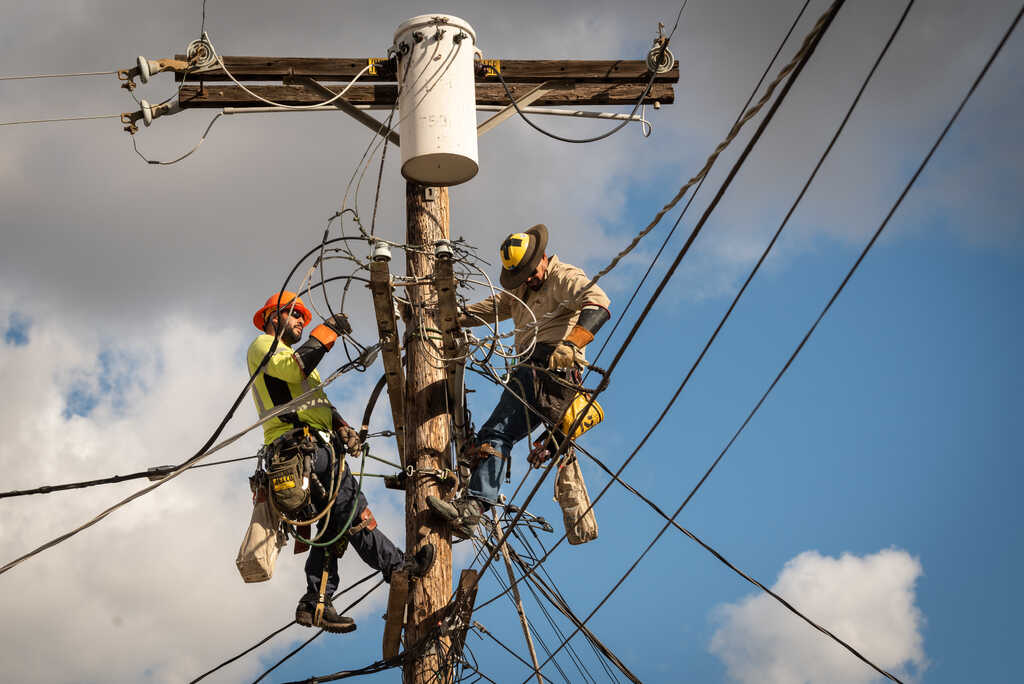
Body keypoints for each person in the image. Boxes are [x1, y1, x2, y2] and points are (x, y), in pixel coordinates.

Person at [248, 291, 433, 633]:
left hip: (314, 451)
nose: (302, 321)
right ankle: (397, 567)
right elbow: (296, 368)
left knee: (337, 526)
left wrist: (344, 429)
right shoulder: (263, 346)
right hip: (298, 452)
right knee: (351, 511)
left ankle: (315, 601)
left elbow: (317, 404)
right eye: (296, 316)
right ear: (274, 318)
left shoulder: (300, 367)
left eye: (304, 317)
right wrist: (327, 330)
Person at [427, 224, 611, 538]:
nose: (527, 280)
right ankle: (474, 502)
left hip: (552, 368)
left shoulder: (563, 277)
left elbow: (599, 303)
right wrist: (442, 315)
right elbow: (492, 308)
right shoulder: (520, 290)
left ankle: (473, 508)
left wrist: (572, 343)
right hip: (531, 369)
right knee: (494, 433)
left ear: (542, 257)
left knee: (498, 433)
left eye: (529, 272)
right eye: (520, 276)